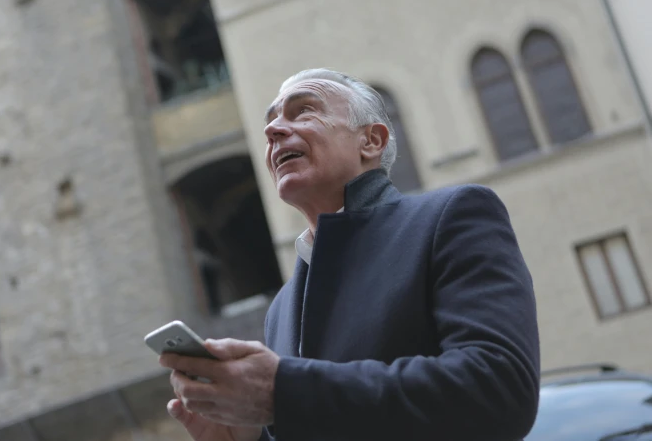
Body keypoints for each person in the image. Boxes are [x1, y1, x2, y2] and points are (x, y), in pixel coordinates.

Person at [159, 68, 541, 441]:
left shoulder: (452, 216)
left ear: (371, 141)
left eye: (304, 111)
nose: (272, 131)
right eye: (271, 122)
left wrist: (283, 393)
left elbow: (499, 388)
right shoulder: (281, 308)